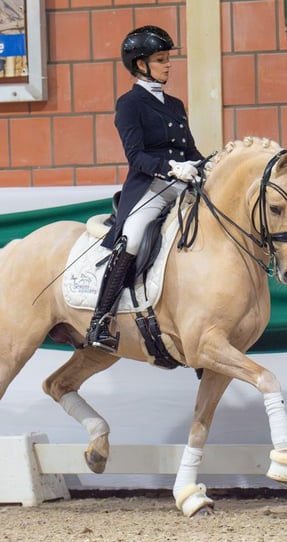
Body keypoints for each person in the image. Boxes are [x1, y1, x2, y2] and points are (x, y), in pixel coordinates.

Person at [85, 25, 205, 352]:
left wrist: (206, 165)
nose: (168, 65)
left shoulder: (176, 104)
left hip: (183, 183)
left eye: (168, 59)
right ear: (141, 65)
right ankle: (101, 319)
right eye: (160, 59)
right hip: (151, 186)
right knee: (134, 236)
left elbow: (190, 150)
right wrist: (171, 168)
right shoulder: (130, 104)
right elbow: (136, 156)